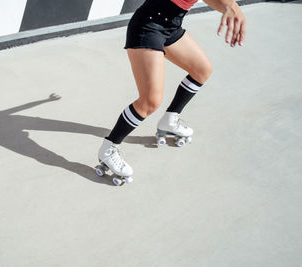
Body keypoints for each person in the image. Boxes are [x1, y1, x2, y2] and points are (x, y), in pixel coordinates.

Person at [97, 0, 246, 179]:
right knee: (150, 102)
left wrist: (230, 6)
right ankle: (109, 148)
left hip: (171, 25)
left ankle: (170, 120)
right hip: (148, 26)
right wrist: (229, 5)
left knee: (202, 70)